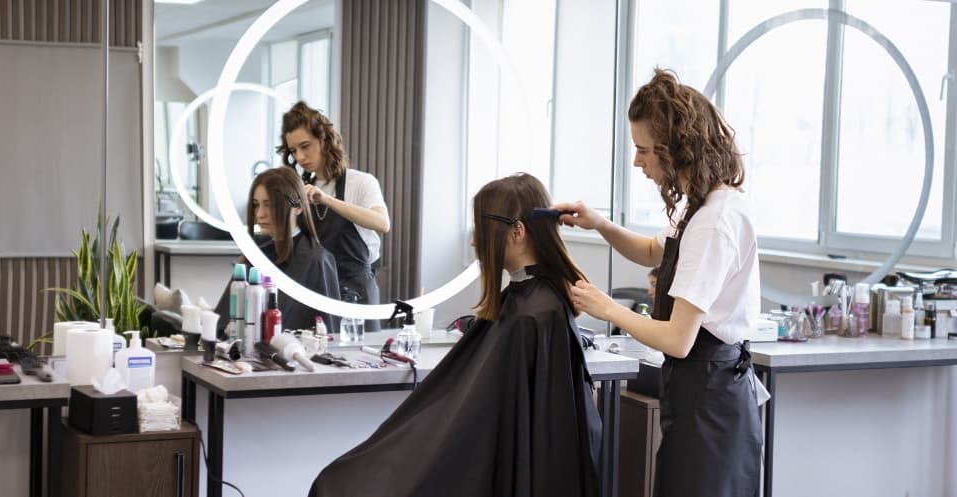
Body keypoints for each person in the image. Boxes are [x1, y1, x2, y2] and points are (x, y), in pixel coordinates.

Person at [309, 173, 601, 497]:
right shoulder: (527, 303)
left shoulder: (534, 314)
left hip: (476, 469)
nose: (475, 241)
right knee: (341, 478)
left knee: (342, 483)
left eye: (481, 229)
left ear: (517, 232)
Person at [558, 69, 763, 497]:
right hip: (702, 393)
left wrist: (606, 307)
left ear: (677, 150)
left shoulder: (714, 222)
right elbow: (655, 252)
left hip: (711, 401)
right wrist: (598, 223)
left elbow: (678, 339)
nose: (637, 162)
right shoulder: (702, 205)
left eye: (643, 151)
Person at [278, 102, 389, 331]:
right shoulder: (300, 189)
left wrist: (327, 200)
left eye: (305, 146)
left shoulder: (361, 182)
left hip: (356, 294)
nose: (299, 156)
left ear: (324, 140)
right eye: (293, 151)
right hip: (316, 292)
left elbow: (382, 223)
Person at [217, 167, 341, 333]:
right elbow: (224, 323)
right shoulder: (256, 256)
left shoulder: (315, 260)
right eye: (256, 205)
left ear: (298, 207)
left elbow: (327, 333)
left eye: (269, 205)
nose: (260, 214)